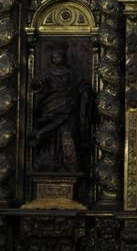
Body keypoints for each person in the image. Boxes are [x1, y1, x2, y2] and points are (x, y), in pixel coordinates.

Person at [29, 44, 92, 172]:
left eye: (61, 56)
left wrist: (85, 92)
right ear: (52, 58)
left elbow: (81, 85)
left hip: (69, 106)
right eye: (56, 56)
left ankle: (68, 162)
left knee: (67, 133)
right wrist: (37, 84)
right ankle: (51, 160)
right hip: (52, 106)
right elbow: (39, 85)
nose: (59, 58)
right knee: (52, 136)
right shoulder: (48, 73)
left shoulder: (71, 73)